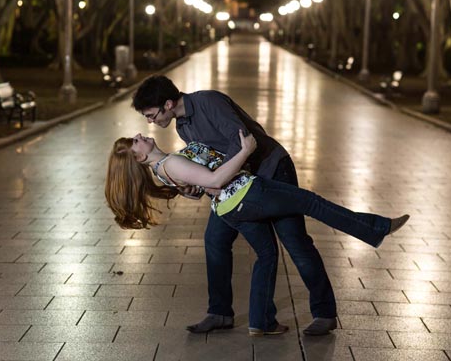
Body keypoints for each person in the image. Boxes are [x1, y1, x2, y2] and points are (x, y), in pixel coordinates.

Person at [105, 132, 409, 336]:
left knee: (267, 254)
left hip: (232, 207)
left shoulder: (164, 166)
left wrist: (197, 186)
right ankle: (375, 228)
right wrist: (246, 150)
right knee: (310, 201)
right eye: (136, 142)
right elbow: (216, 178)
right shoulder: (169, 163)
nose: (141, 135)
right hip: (248, 194)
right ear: (139, 159)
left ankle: (262, 322)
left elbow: (203, 186)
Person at [131, 75, 339, 336]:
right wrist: (194, 185)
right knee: (215, 240)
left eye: (151, 115)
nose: (150, 122)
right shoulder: (182, 126)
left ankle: (324, 313)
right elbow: (207, 162)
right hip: (238, 186)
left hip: (271, 169)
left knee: (295, 241)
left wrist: (217, 179)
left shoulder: (209, 101)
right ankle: (219, 313)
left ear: (169, 103)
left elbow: (240, 141)